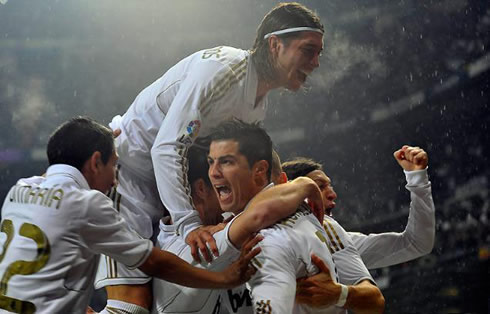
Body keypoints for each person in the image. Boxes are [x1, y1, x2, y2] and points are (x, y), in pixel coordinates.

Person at [95, 2, 326, 312]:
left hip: (170, 188)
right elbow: (166, 147)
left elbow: (250, 164)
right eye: (309, 50)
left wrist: (287, 193)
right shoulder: (224, 71)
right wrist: (190, 225)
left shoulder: (258, 101)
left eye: (318, 53)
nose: (315, 62)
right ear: (275, 44)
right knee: (131, 307)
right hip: (128, 179)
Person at [0, 117, 259, 314]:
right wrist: (223, 278)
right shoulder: (89, 204)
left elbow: (62, 171)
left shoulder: (19, 190)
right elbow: (154, 263)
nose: (115, 180)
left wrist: (94, 140)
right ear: (95, 161)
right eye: (114, 165)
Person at [206, 120, 385, 314]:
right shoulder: (219, 229)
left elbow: (375, 301)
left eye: (226, 162)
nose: (214, 173)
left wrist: (340, 295)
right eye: (211, 162)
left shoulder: (267, 242)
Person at [151, 145, 324, 313]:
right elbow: (258, 214)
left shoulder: (184, 232)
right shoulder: (197, 247)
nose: (226, 198)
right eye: (222, 189)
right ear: (202, 189)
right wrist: (304, 184)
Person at [282, 146, 435, 308]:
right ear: (293, 195)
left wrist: (417, 179)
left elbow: (416, 243)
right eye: (320, 187)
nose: (333, 194)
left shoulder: (336, 238)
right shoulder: (262, 239)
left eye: (329, 186)